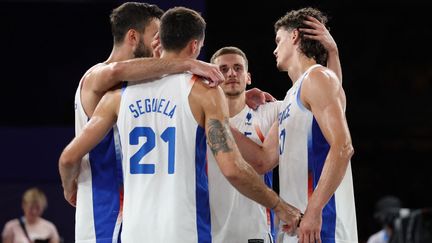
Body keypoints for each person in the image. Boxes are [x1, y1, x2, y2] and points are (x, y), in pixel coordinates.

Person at [59, 6, 302, 242]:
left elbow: (68, 159)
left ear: (160, 41)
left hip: (133, 230)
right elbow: (232, 169)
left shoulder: (117, 95)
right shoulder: (203, 92)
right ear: (195, 45)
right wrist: (279, 206)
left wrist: (70, 188)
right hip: (184, 229)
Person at [72, 2, 225, 243]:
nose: (159, 43)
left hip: (124, 211)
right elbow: (116, 71)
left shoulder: (126, 89)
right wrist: (187, 63)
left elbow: (160, 88)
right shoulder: (98, 77)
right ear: (133, 36)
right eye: (155, 36)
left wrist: (243, 96)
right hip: (106, 212)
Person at [208, 14, 344, 243]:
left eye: (238, 68)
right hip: (212, 231)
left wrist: (332, 53)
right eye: (223, 69)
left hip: (265, 231)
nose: (231, 73)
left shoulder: (272, 110)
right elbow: (262, 161)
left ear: (248, 77)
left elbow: (334, 100)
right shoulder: (194, 117)